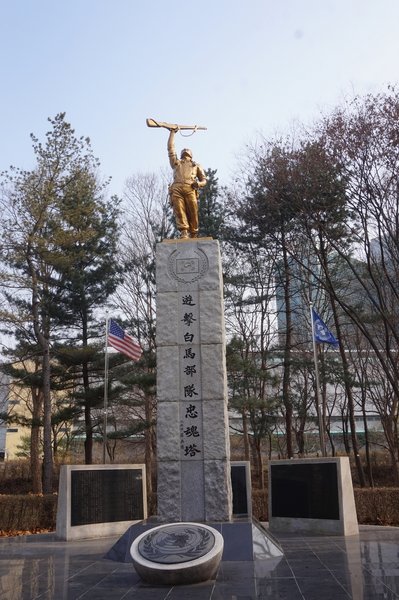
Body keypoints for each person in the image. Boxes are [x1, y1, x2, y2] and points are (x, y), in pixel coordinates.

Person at [167, 127, 207, 238]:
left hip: (190, 188)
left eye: (187, 150)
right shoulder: (176, 163)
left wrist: (198, 184)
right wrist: (172, 133)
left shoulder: (196, 165)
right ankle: (184, 231)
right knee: (179, 211)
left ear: (191, 154)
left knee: (193, 211)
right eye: (183, 150)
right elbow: (170, 149)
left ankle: (194, 232)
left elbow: (204, 180)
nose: (185, 150)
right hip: (177, 188)